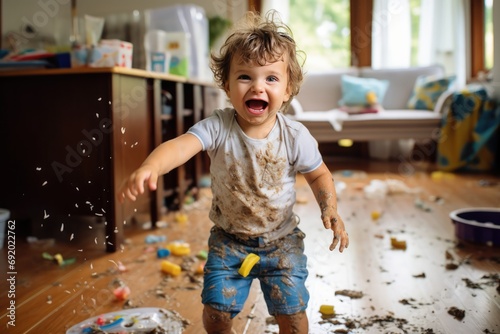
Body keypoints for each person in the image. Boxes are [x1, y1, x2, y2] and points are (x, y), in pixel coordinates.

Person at [119, 10, 349, 334]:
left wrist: (330, 208)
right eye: (245, 77)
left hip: (281, 241)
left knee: (293, 317)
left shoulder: (295, 135)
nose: (257, 86)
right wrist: (151, 166)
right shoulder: (218, 126)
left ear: (287, 89)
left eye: (271, 78)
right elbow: (182, 145)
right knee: (215, 314)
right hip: (229, 241)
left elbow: (319, 175)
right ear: (227, 85)